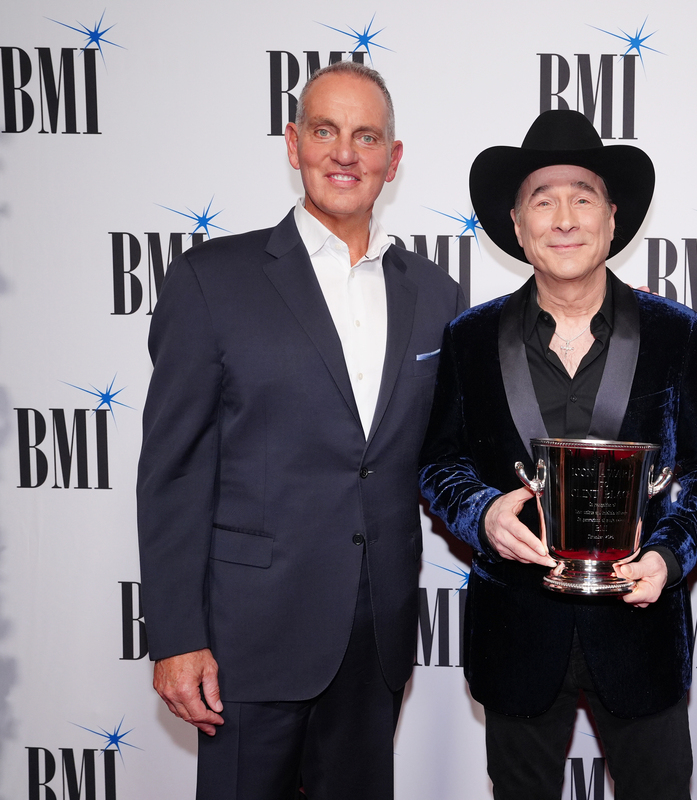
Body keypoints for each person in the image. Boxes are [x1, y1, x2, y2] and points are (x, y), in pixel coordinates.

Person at [136, 61, 465, 799]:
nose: (344, 153)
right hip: (247, 640)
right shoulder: (211, 279)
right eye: (325, 131)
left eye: (366, 136)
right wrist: (178, 637)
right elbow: (174, 473)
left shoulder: (435, 294)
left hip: (374, 640)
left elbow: (450, 451)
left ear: (393, 159)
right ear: (293, 144)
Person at [419, 109, 697, 800]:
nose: (564, 219)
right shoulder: (469, 338)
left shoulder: (677, 333)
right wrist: (482, 514)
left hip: (640, 632)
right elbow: (440, 462)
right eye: (543, 200)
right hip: (516, 634)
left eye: (583, 197)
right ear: (516, 224)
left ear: (612, 218)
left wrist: (669, 555)